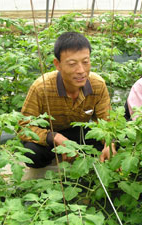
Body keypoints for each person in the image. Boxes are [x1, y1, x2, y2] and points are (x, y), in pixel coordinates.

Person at [19, 31, 115, 168]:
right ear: (57, 64)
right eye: (72, 64)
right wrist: (55, 137)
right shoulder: (41, 87)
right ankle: (59, 153)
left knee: (117, 143)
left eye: (85, 62)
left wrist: (109, 144)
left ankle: (78, 153)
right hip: (51, 136)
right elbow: (23, 127)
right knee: (32, 154)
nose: (81, 70)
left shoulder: (97, 85)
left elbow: (106, 122)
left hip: (79, 133)